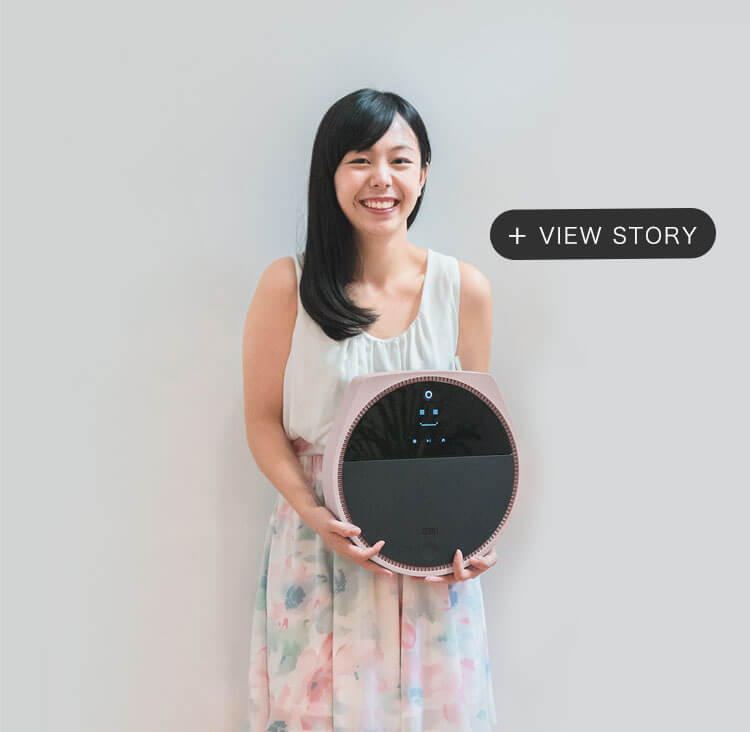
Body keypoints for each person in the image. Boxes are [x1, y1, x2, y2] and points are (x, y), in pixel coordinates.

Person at [242, 88, 499, 731]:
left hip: (430, 555)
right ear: (328, 174)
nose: (381, 178)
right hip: (319, 546)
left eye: (400, 160)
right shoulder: (288, 285)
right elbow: (263, 421)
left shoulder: (463, 290)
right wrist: (313, 513)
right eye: (359, 160)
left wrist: (476, 536)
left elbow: (472, 437)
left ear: (423, 174)